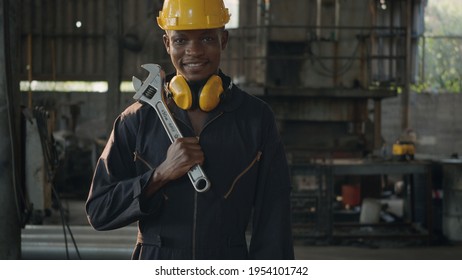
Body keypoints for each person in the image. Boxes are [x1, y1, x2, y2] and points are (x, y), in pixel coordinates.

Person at [86, 0, 294, 260]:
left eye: (207, 38)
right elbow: (99, 211)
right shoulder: (136, 120)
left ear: (224, 40)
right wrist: (159, 175)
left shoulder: (255, 118)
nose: (193, 51)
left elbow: (274, 217)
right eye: (181, 40)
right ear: (167, 44)